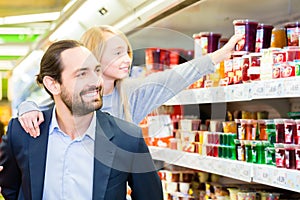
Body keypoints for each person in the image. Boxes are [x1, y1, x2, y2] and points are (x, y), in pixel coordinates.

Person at [0, 40, 163, 200]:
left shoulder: (126, 138)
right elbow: (10, 189)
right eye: (82, 74)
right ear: (53, 84)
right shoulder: (22, 134)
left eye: (97, 71)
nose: (96, 81)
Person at [18, 25, 242, 137]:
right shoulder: (76, 95)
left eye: (126, 52)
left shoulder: (133, 94)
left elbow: (174, 77)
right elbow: (48, 110)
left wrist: (219, 55)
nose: (126, 59)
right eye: (116, 53)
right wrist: (26, 108)